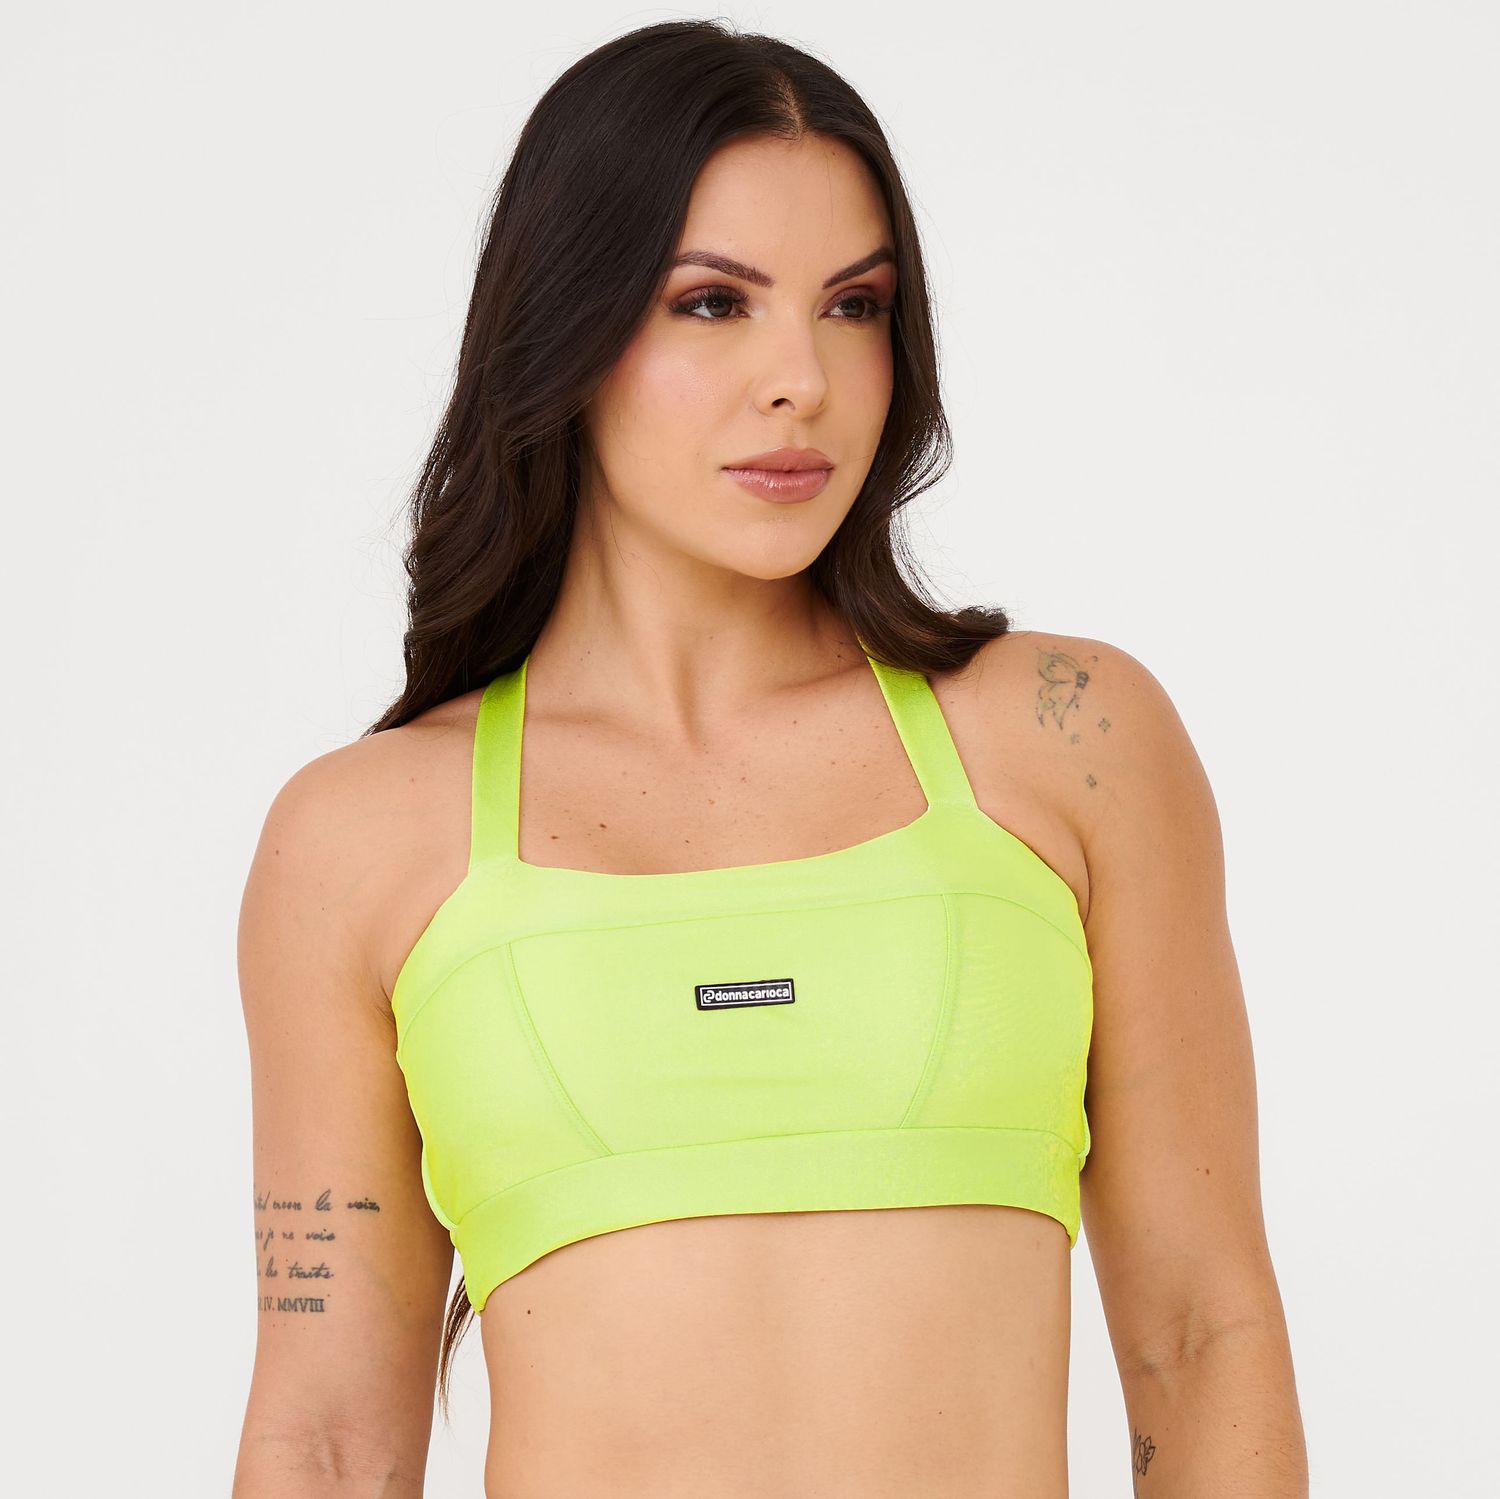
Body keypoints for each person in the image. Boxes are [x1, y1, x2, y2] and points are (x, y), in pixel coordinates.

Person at [232, 19, 1307, 1499]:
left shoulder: (1073, 738)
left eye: (854, 305)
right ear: (564, 327)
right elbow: (326, 1443)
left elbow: (1201, 1332)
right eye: (712, 303)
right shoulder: (356, 840)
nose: (801, 378)